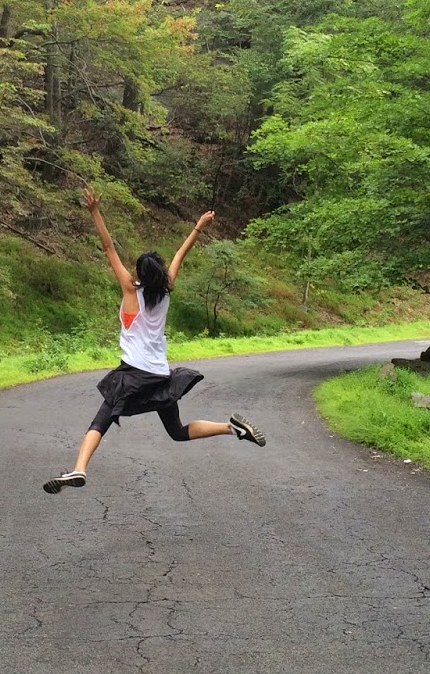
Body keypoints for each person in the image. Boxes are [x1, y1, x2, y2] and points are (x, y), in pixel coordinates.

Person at [42, 188, 265, 494]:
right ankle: (232, 428)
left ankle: (79, 469)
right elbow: (180, 254)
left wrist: (94, 212)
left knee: (101, 420)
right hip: (160, 375)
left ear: (138, 274)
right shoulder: (166, 290)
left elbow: (108, 248)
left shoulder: (130, 290)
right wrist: (199, 226)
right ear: (160, 273)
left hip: (133, 374)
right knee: (176, 431)